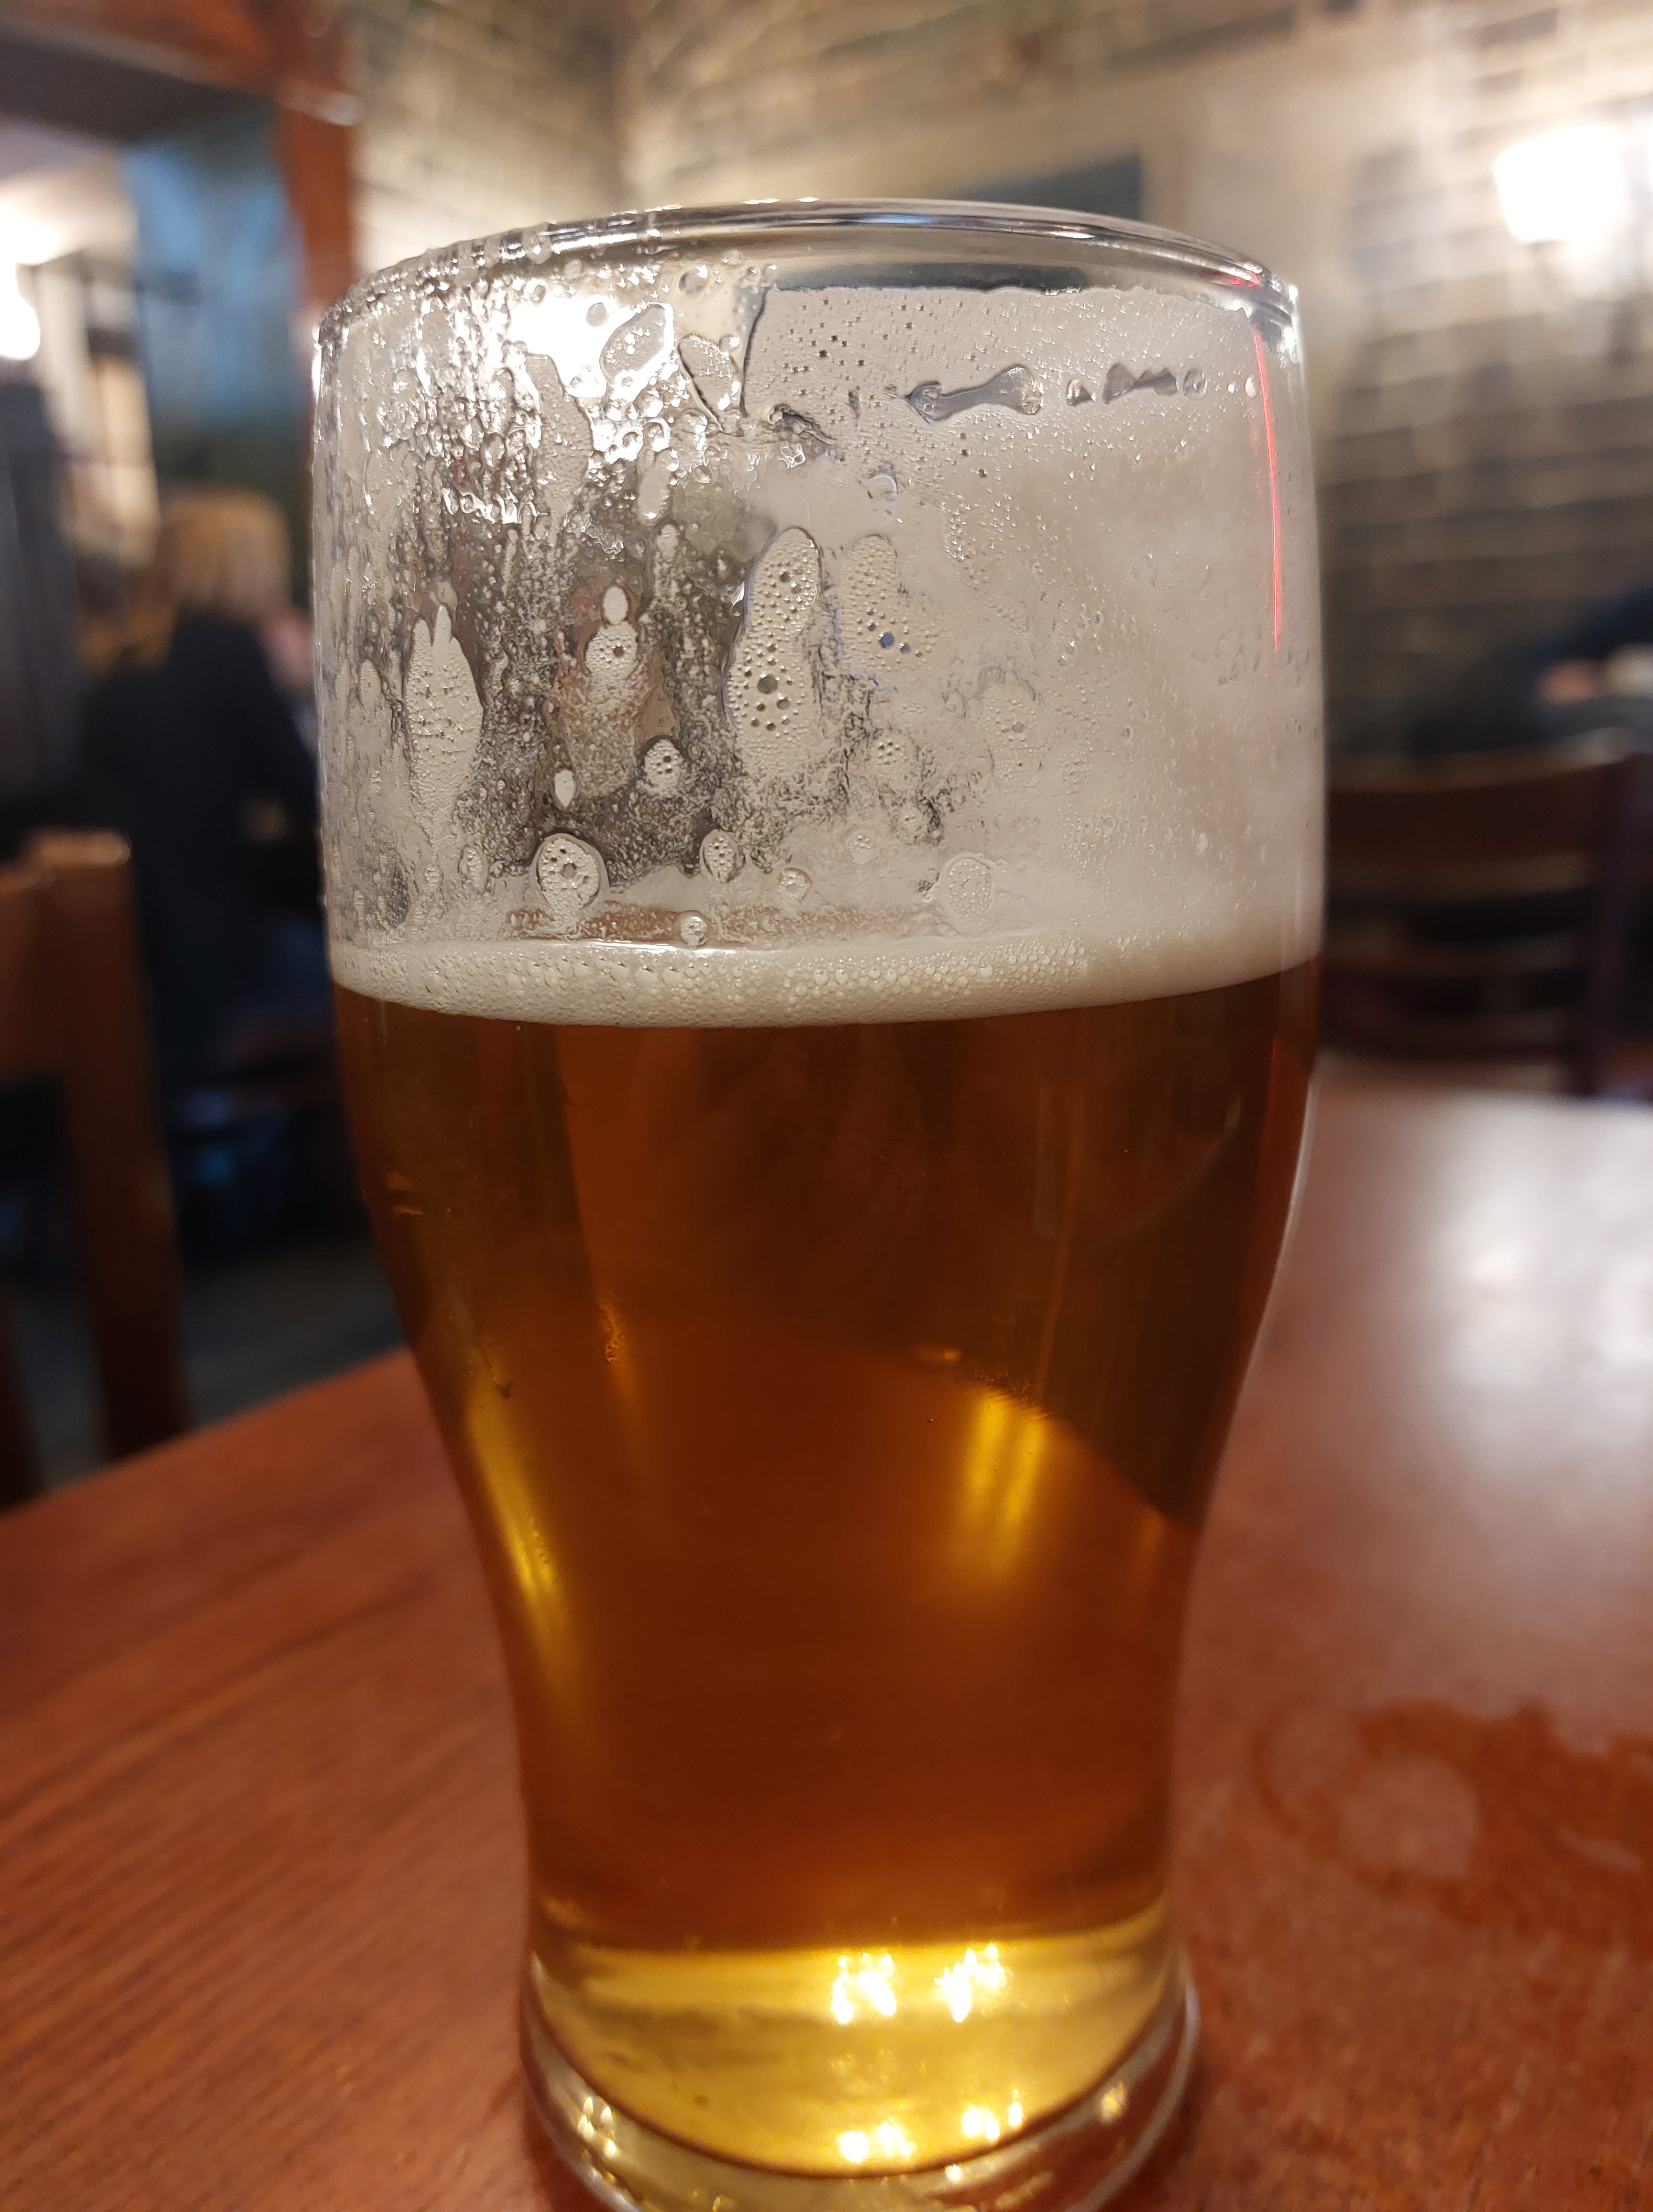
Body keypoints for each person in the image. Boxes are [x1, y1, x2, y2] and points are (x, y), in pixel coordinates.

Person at [80, 488, 324, 1101]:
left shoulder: (118, 667)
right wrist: (304, 690)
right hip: (219, 969)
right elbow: (316, 802)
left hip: (137, 968)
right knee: (362, 984)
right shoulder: (232, 654)